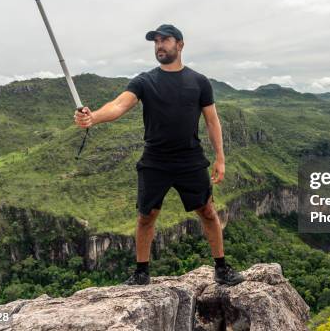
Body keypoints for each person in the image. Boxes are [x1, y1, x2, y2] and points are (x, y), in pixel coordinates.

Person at [74, 24, 244, 287]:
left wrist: (220, 158)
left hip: (190, 159)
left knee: (208, 211)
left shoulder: (199, 82)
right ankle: (141, 272)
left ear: (180, 45)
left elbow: (212, 121)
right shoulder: (145, 81)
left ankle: (221, 268)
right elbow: (119, 105)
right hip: (155, 160)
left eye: (165, 40)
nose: (159, 45)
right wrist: (92, 117)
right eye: (156, 41)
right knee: (146, 216)